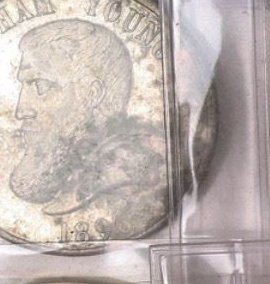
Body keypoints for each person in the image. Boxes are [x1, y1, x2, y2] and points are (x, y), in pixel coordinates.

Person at [10, 19, 166, 239]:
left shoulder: (126, 187)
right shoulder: (72, 183)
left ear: (92, 94)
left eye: (40, 85)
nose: (21, 110)